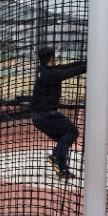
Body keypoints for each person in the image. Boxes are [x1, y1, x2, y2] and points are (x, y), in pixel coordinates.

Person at [30, 46, 87, 179]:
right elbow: (69, 72)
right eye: (54, 56)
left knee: (64, 138)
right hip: (46, 116)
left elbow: (68, 66)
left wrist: (88, 62)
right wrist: (88, 67)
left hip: (40, 116)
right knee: (72, 132)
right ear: (51, 58)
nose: (56, 58)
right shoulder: (49, 75)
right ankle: (55, 156)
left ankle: (63, 169)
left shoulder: (44, 69)